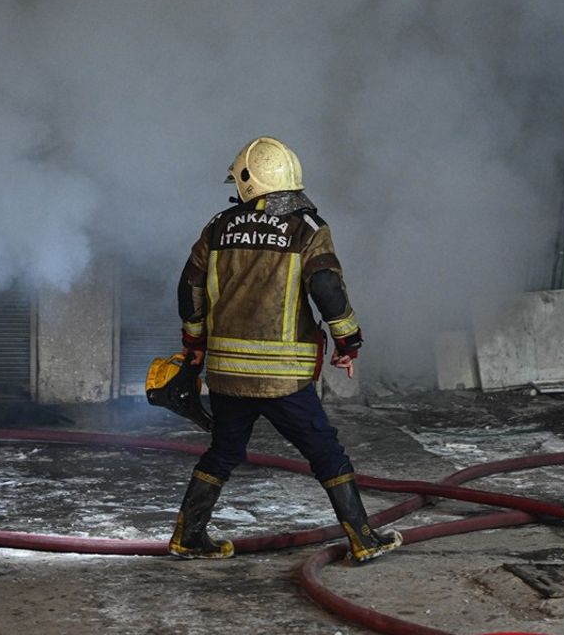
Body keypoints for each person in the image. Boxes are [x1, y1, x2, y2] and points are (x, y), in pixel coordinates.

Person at [167, 136, 402, 563]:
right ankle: (364, 538)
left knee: (224, 451)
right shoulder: (307, 229)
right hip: (283, 377)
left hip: (227, 373)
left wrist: (193, 344)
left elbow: (190, 287)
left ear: (248, 181)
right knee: (325, 452)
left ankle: (188, 536)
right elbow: (327, 288)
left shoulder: (219, 226)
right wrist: (348, 342)